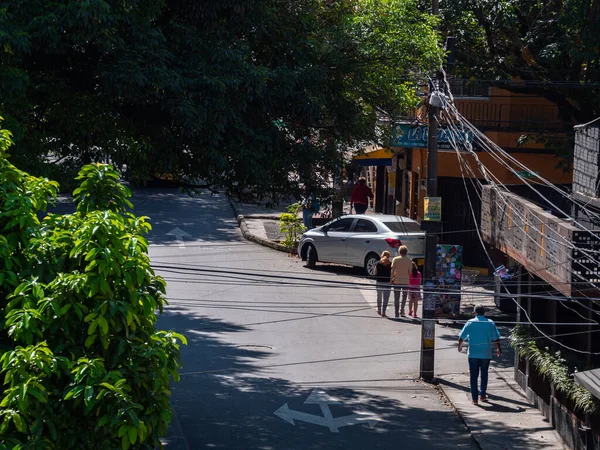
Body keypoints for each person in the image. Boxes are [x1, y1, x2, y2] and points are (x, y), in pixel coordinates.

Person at [458, 304, 502, 405]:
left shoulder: (470, 322)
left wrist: (459, 346)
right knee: (484, 374)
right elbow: (496, 338)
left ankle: (474, 399)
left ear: (474, 313)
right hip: (485, 354)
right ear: (484, 313)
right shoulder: (490, 323)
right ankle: (482, 395)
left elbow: (462, 336)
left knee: (473, 376)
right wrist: (499, 349)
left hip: (473, 353)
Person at [390, 245, 412, 318]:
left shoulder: (395, 259)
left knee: (396, 297)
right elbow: (410, 272)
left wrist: (391, 279)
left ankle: (396, 313)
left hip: (396, 281)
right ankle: (402, 310)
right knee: (404, 296)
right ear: (406, 252)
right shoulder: (409, 260)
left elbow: (392, 270)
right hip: (405, 281)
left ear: (399, 252)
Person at [374, 251, 392, 317]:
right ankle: (383, 312)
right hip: (387, 283)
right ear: (388, 257)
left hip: (379, 282)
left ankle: (379, 310)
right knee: (386, 298)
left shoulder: (378, 263)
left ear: (382, 255)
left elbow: (375, 272)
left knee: (379, 296)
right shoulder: (390, 264)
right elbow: (392, 274)